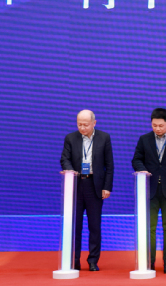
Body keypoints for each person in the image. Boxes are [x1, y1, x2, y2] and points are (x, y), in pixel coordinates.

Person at [132, 108, 166, 274]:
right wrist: (142, 170)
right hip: (150, 190)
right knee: (150, 227)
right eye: (154, 125)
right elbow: (136, 159)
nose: (157, 128)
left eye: (161, 125)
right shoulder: (144, 139)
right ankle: (150, 261)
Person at [59, 109, 114, 272]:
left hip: (94, 186)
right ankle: (74, 260)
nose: (82, 128)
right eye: (79, 124)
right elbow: (64, 159)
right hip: (76, 186)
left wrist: (107, 187)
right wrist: (70, 170)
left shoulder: (104, 138)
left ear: (94, 123)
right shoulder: (70, 138)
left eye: (85, 125)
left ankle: (93, 260)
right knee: (75, 226)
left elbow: (109, 165)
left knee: (94, 226)